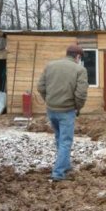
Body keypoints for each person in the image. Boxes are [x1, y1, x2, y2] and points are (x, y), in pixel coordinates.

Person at [37, 44, 88, 182]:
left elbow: (40, 86)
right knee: (65, 141)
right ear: (77, 56)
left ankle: (65, 165)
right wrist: (78, 107)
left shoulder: (50, 66)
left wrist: (49, 100)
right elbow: (81, 94)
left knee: (59, 138)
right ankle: (58, 173)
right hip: (67, 111)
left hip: (51, 109)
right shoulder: (80, 70)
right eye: (80, 58)